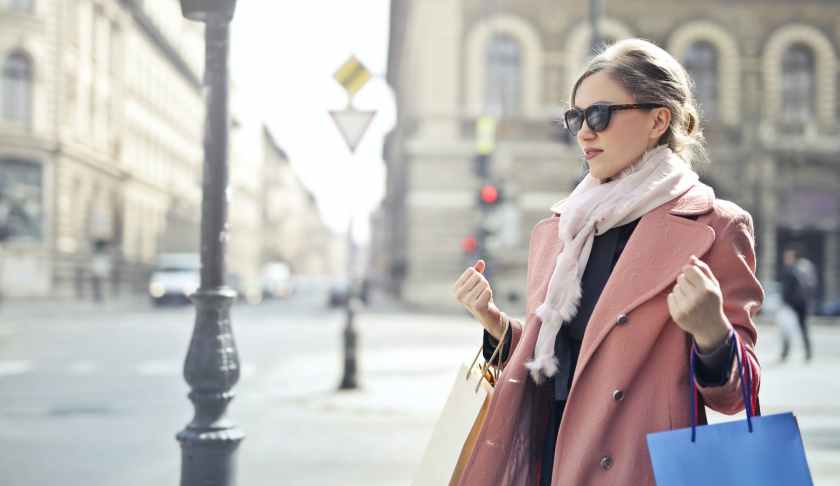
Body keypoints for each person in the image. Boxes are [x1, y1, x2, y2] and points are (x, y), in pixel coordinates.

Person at [452, 39, 763, 486]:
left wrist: (712, 331)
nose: (583, 133)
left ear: (659, 120)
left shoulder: (714, 226)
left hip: (635, 470)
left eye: (599, 115)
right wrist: (494, 321)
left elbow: (738, 397)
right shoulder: (565, 228)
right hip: (550, 461)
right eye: (575, 118)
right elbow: (562, 362)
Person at [780, 246, 813, 361]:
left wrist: (786, 301)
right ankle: (789, 352)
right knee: (791, 328)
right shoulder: (803, 269)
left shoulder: (793, 270)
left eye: (788, 257)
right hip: (799, 304)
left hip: (794, 304)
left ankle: (788, 352)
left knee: (788, 328)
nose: (786, 259)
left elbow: (790, 289)